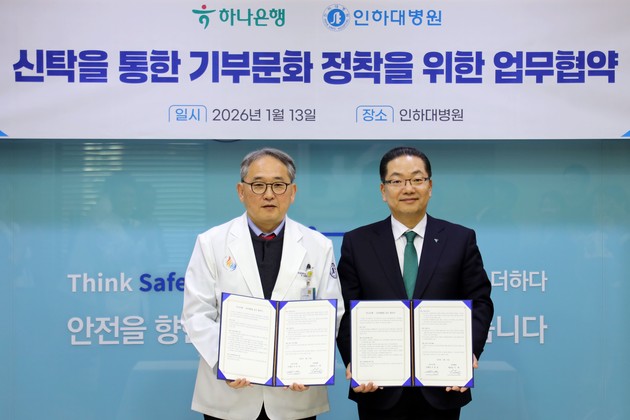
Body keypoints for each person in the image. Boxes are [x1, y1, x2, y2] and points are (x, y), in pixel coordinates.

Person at [181, 148, 345, 420]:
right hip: (229, 395)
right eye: (258, 185)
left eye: (279, 185)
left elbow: (332, 312)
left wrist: (310, 365)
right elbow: (196, 314)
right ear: (241, 191)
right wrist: (225, 362)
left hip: (295, 393)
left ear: (292, 192)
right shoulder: (211, 242)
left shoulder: (318, 245)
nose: (269, 194)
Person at [336, 146, 494, 420]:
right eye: (397, 181)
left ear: (430, 186)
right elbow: (345, 310)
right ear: (383, 190)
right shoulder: (357, 242)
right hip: (378, 387)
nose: (408, 188)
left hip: (442, 386)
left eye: (417, 179)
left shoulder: (460, 239)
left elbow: (480, 302)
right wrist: (355, 360)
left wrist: (466, 353)